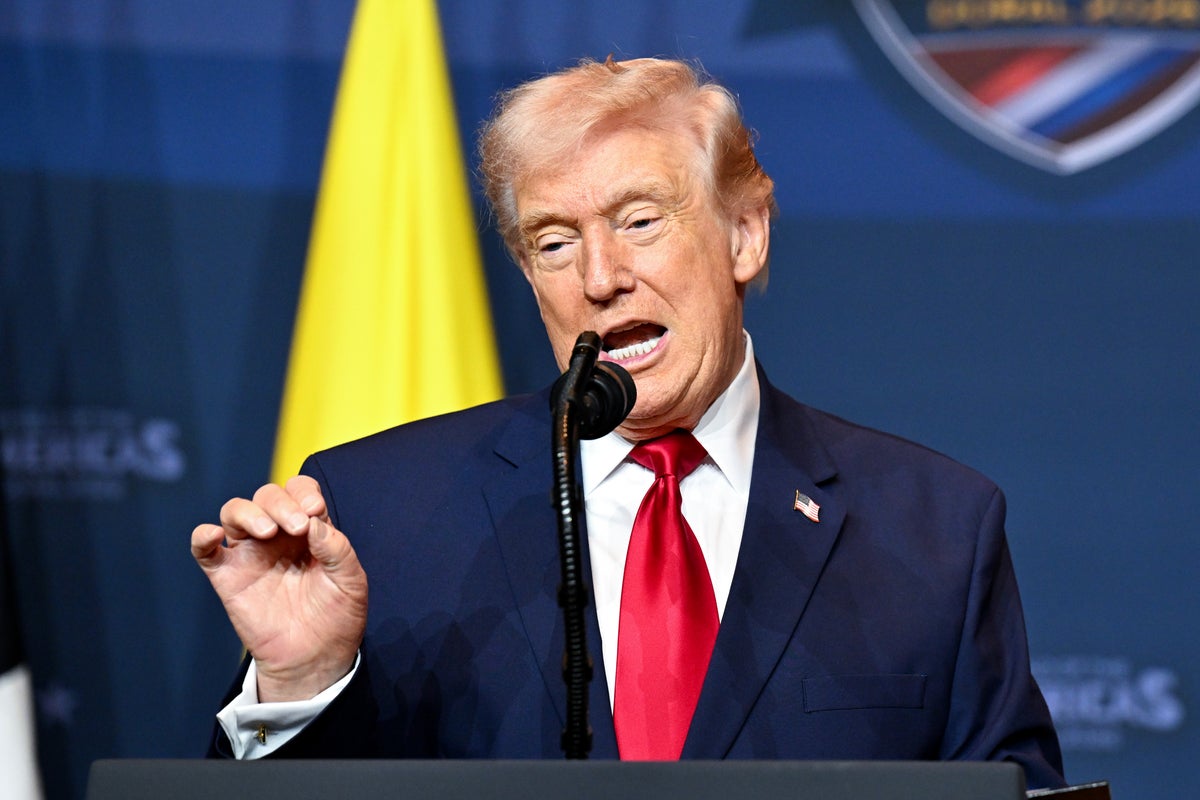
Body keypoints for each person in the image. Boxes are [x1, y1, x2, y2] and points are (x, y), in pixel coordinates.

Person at [191, 56, 1065, 788]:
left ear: (744, 235)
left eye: (640, 221)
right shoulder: (378, 511)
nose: (600, 278)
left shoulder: (935, 529)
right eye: (555, 243)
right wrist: (302, 683)